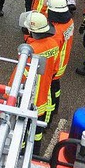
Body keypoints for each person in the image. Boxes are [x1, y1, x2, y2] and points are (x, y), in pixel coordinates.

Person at [14, 11, 59, 155]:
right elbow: (55, 70)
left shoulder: (30, 51)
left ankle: (19, 155)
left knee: (20, 130)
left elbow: (20, 76)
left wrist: (8, 93)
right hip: (44, 97)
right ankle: (34, 154)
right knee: (36, 132)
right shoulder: (53, 44)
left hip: (28, 99)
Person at [46, 0, 75, 130]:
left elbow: (52, 52)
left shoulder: (56, 31)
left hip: (55, 66)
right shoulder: (69, 21)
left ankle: (47, 120)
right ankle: (56, 107)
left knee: (48, 94)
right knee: (56, 87)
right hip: (63, 63)